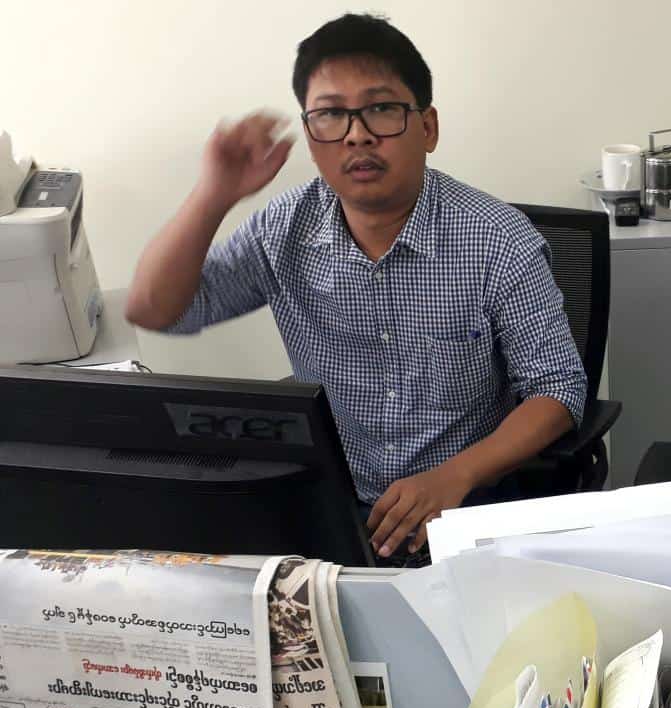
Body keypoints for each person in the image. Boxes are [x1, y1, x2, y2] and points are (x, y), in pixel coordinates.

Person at [125, 13, 587, 562]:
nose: (357, 134)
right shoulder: (285, 228)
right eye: (331, 115)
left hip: (467, 507)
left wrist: (453, 477)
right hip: (332, 508)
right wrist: (215, 193)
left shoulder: (497, 239)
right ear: (311, 136)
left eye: (382, 108)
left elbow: (559, 390)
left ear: (428, 127)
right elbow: (155, 309)